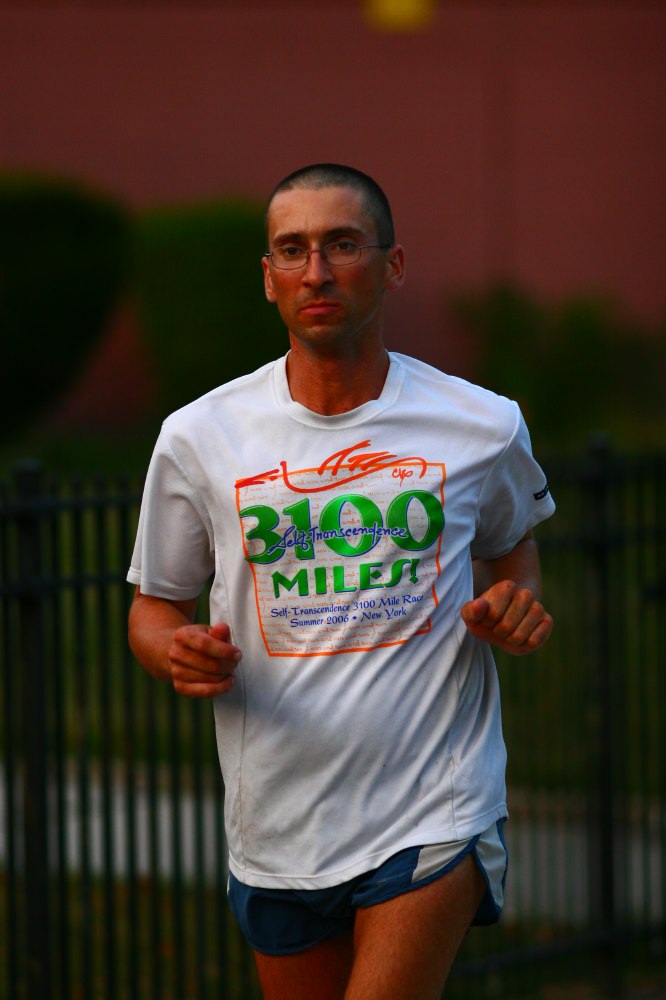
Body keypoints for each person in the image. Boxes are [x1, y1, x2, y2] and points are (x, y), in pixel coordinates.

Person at [127, 163, 555, 999]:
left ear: (393, 265)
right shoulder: (199, 436)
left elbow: (514, 549)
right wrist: (172, 650)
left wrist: (518, 603)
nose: (316, 271)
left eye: (342, 245)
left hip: (434, 808)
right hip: (277, 824)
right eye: (292, 250)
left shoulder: (481, 423)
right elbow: (154, 606)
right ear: (268, 278)